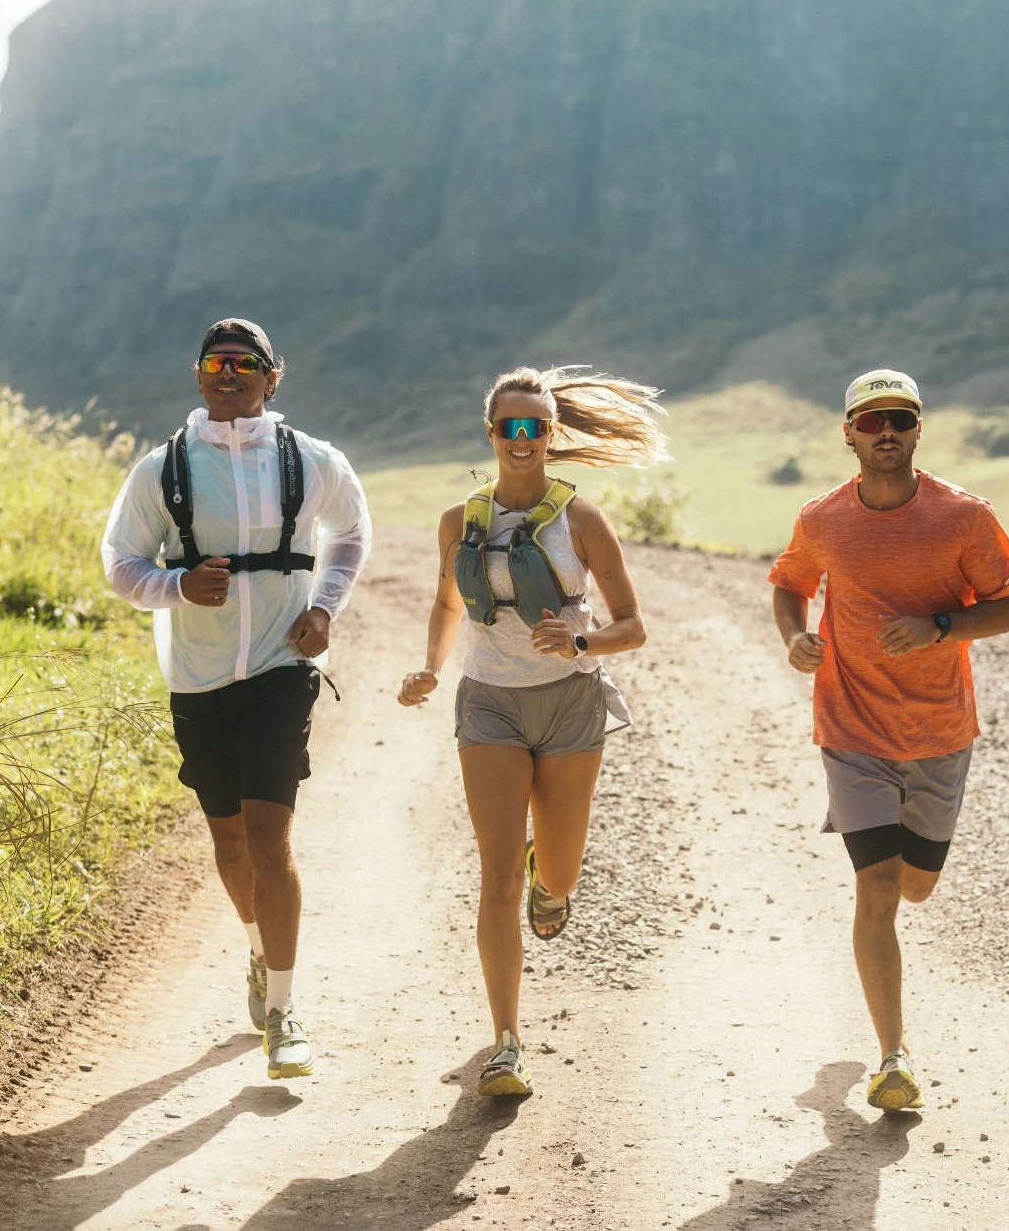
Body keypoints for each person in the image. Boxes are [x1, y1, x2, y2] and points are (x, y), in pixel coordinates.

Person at [102, 317, 371, 1080]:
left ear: (271, 376)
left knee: (267, 838)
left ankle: (284, 1015)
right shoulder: (164, 470)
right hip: (198, 675)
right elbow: (121, 563)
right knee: (227, 843)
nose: (230, 373)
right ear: (198, 376)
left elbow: (352, 534)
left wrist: (324, 609)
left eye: (245, 363)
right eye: (216, 362)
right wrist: (177, 586)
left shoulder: (311, 460)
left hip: (283, 670)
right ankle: (259, 954)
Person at [396, 367, 664, 1098]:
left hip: (570, 705)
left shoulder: (582, 522)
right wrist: (428, 669)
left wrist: (580, 645)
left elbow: (633, 628)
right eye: (510, 427)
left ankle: (552, 874)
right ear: (491, 433)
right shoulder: (462, 520)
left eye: (535, 428)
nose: (522, 439)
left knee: (557, 878)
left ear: (552, 436)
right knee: (497, 876)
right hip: (490, 705)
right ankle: (506, 1042)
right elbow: (449, 603)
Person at [767, 368, 1009, 1112]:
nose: (887, 432)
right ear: (848, 433)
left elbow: (1007, 608)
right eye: (872, 420)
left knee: (917, 885)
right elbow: (790, 582)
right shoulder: (822, 519)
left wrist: (940, 625)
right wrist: (796, 636)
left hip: (941, 731)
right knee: (877, 887)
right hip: (851, 728)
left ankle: (890, 1048)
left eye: (901, 420)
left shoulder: (964, 518)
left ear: (920, 429)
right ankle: (894, 1057)